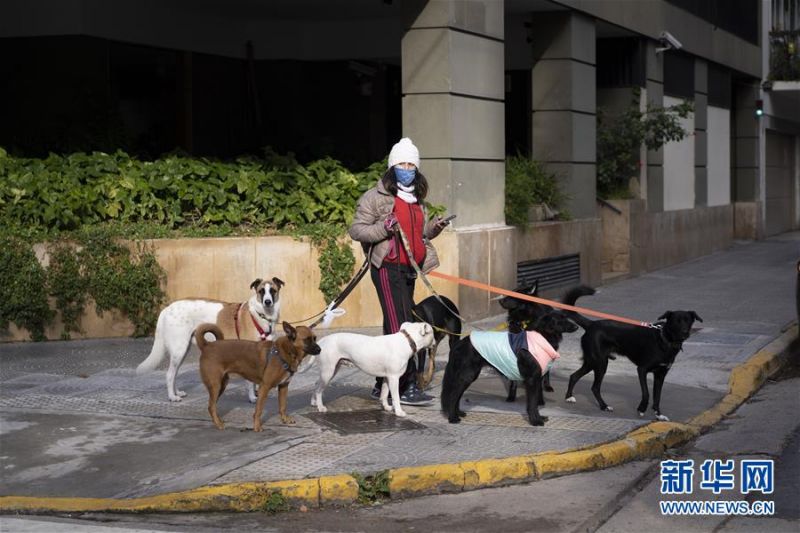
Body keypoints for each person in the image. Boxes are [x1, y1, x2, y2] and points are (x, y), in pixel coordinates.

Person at [348, 137, 451, 405]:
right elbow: (357, 230)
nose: (407, 169)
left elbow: (420, 233)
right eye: (402, 164)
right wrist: (384, 228)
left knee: (394, 324)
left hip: (409, 271)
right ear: (392, 167)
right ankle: (405, 386)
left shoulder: (417, 200)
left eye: (411, 165)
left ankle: (381, 384)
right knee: (402, 326)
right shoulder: (375, 197)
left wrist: (434, 228)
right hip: (387, 269)